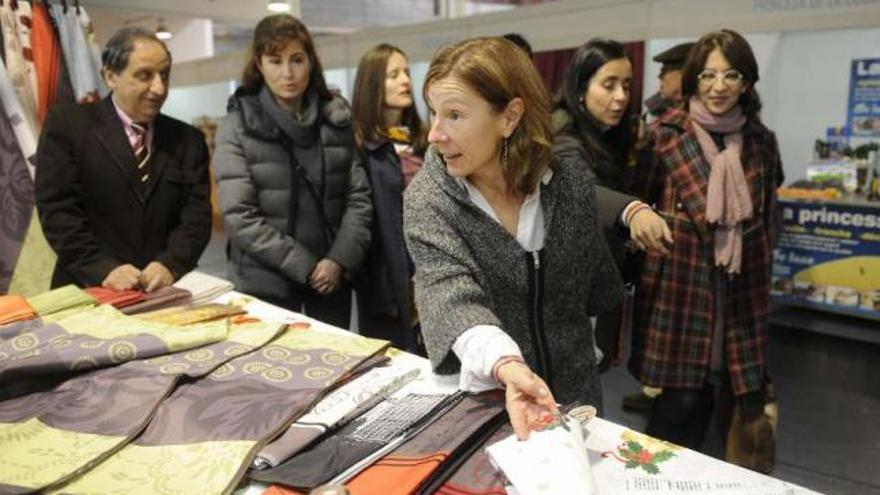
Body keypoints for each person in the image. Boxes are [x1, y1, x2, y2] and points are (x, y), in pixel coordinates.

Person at [404, 36, 625, 441]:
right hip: (486, 403)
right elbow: (449, 295)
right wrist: (508, 365)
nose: (434, 133)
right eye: (433, 113)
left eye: (454, 115)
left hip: (577, 401)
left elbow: (597, 289)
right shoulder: (428, 200)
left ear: (509, 117)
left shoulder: (567, 187)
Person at [628, 30, 783, 464]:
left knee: (730, 421)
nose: (719, 86)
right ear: (695, 78)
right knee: (675, 416)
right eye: (709, 74)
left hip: (740, 295)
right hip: (680, 298)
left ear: (746, 81)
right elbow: (636, 204)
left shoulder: (760, 141)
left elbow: (769, 213)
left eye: (731, 74)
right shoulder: (663, 135)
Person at [214, 14, 372, 329]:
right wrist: (307, 265)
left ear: (311, 62)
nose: (288, 73)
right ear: (259, 64)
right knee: (270, 371)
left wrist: (338, 260)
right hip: (265, 280)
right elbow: (240, 216)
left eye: (297, 60)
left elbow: (358, 199)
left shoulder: (336, 119)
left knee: (335, 366)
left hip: (331, 278)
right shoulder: (236, 126)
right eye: (275, 61)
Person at [35, 27, 211, 291]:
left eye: (164, 75)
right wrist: (103, 267)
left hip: (162, 291)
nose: (158, 88)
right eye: (144, 75)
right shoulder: (68, 126)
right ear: (110, 76)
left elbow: (196, 219)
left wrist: (171, 263)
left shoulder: (188, 141)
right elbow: (58, 212)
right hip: (88, 288)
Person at [551, 38, 673, 371]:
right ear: (580, 87)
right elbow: (578, 187)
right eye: (608, 85)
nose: (620, 96)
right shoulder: (560, 134)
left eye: (626, 85)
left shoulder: (613, 135)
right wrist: (632, 211)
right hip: (569, 298)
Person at [625, 41, 694, 413]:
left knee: (669, 332)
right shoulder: (661, 117)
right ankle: (657, 391)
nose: (660, 78)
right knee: (660, 331)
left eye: (666, 72)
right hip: (662, 241)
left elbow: (642, 184)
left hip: (673, 245)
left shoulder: (668, 127)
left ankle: (665, 394)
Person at [351, 44, 427, 352]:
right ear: (372, 85)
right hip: (385, 277)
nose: (405, 81)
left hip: (428, 266)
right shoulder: (360, 143)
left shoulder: (422, 137)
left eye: (406, 72)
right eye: (393, 75)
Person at [643, 41, 694, 122]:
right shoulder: (658, 108)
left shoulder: (697, 115)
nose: (659, 77)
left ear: (684, 75)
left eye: (664, 71)